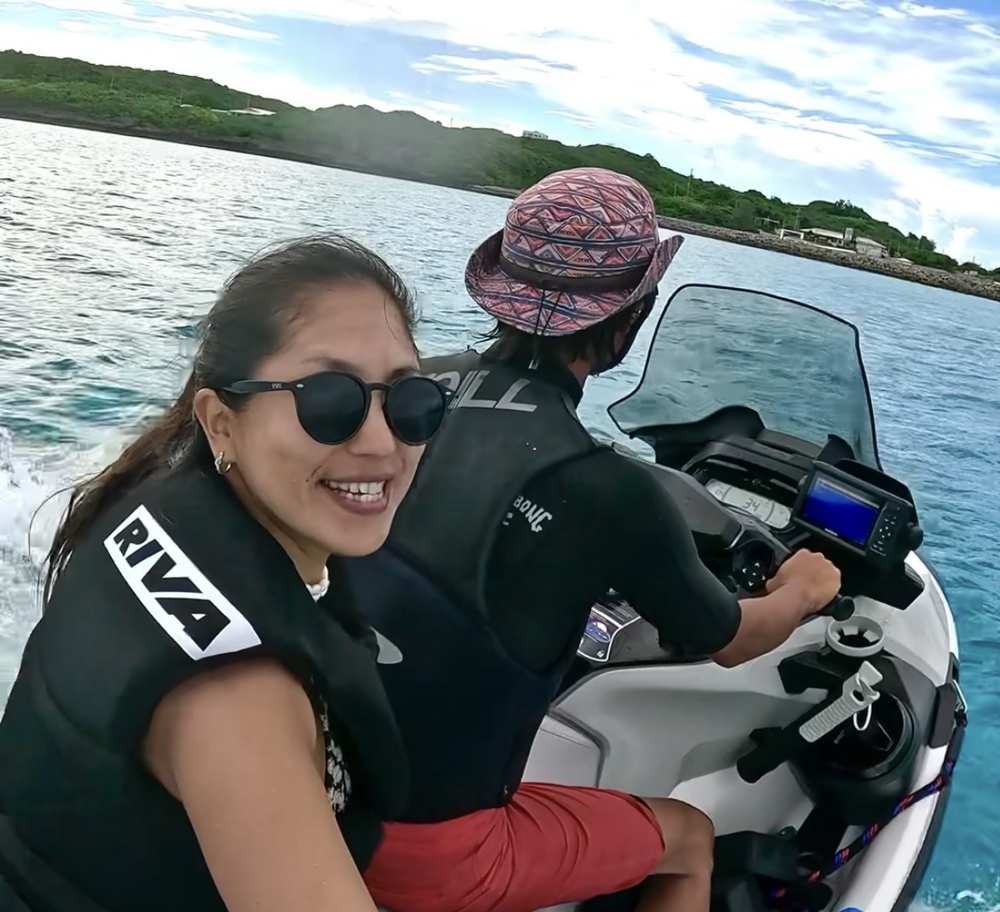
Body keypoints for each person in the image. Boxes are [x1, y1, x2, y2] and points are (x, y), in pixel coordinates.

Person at [345, 168, 842, 912]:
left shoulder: (411, 390)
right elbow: (732, 640)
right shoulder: (606, 489)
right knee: (690, 840)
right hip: (436, 852)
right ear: (629, 318)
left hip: (323, 789)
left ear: (502, 291)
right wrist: (802, 590)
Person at [0, 235, 451, 912]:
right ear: (220, 423)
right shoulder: (238, 699)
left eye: (410, 400)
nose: (382, 442)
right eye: (330, 400)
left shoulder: (153, 507)